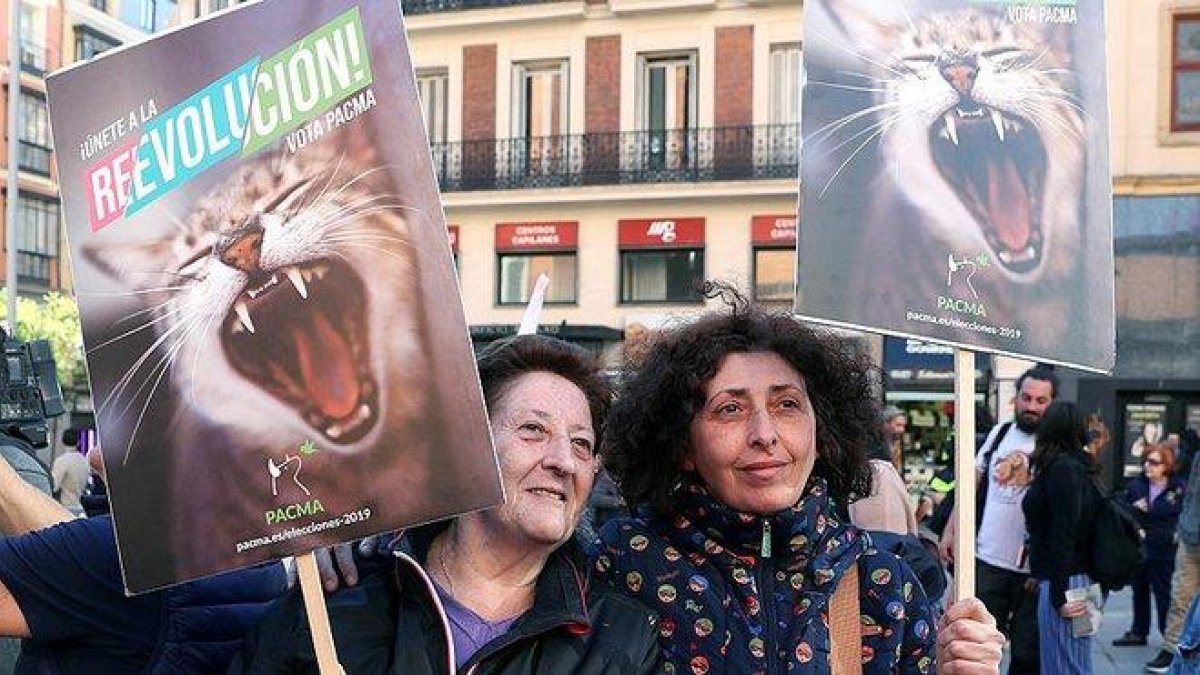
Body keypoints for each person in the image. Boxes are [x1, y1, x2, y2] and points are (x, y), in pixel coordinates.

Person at [595, 286, 1003, 674]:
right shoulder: (622, 566)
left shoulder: (882, 587)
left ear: (820, 432)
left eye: (786, 404)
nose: (764, 434)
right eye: (730, 409)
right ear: (681, 443)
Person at [233, 335, 661, 673]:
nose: (564, 461)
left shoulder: (623, 642)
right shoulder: (326, 612)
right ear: (465, 446)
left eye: (582, 444)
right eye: (533, 430)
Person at [0, 431, 287, 674]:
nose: (95, 452)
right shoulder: (258, 553)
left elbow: (87, 563)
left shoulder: (127, 553)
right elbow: (75, 570)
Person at [939, 365, 1058, 674]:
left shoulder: (1057, 445)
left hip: (1031, 572)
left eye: (1040, 400)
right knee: (973, 648)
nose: (1031, 406)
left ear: (1052, 403)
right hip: (988, 559)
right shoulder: (1000, 432)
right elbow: (970, 486)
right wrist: (951, 531)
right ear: (1015, 399)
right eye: (1026, 397)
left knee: (1027, 655)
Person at [1020, 401, 1102, 674]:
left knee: (1067, 666)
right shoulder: (1074, 467)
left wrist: (1058, 596)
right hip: (1074, 581)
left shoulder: (1063, 469)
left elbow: (1063, 534)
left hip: (1069, 584)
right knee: (1070, 663)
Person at [1113, 443, 1185, 648]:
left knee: (1164, 592)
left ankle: (1168, 633)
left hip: (1165, 548)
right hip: (1141, 547)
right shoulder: (1136, 486)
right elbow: (1119, 509)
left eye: (1154, 462)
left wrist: (1177, 534)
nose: (1148, 466)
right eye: (1146, 461)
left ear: (1166, 465)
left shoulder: (1178, 488)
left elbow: (1184, 513)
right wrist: (1132, 507)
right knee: (1140, 589)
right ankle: (1138, 630)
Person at [1149, 430, 1200, 673]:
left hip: (1190, 532)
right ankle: (1171, 650)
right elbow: (1190, 493)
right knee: (1180, 597)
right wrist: (1185, 522)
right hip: (1191, 536)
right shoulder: (1198, 456)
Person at [850, 406, 918, 535]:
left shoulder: (881, 465)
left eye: (903, 426)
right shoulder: (876, 459)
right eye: (898, 425)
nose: (902, 430)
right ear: (885, 424)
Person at [50, 428, 89, 513]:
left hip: (66, 508)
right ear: (78, 442)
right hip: (82, 508)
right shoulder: (85, 460)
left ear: (63, 441)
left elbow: (53, 487)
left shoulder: (61, 461)